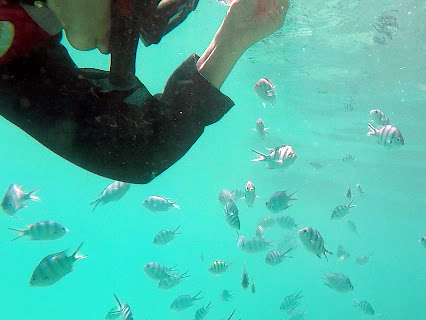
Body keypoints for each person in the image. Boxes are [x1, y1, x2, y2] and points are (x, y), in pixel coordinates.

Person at [0, 0, 290, 183]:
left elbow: (137, 150)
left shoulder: (17, 53)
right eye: (131, 9)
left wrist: (233, 38)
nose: (110, 47)